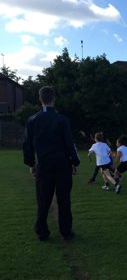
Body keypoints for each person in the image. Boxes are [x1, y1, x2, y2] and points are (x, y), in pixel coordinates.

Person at [23, 86, 80, 241]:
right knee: (64, 199)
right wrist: (75, 162)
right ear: (54, 98)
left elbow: (27, 144)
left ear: (40, 99)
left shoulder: (33, 120)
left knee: (43, 198)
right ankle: (66, 231)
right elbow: (69, 143)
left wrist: (31, 164)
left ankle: (42, 231)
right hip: (62, 165)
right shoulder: (62, 120)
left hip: (44, 164)